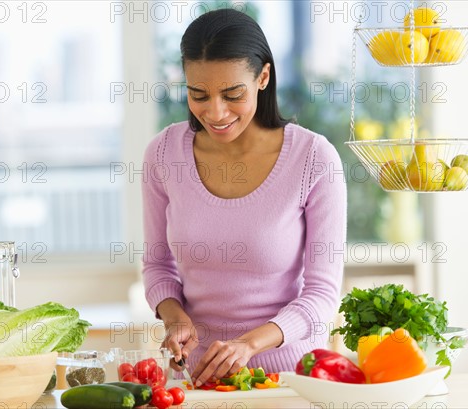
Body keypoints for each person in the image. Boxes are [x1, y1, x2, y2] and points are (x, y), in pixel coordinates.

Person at [141, 8, 347, 388]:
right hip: (197, 380)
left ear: (263, 77)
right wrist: (174, 318)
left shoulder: (314, 159)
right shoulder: (163, 153)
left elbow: (322, 296)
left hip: (292, 379)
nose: (215, 112)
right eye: (198, 94)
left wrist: (248, 345)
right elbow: (157, 265)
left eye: (232, 94)